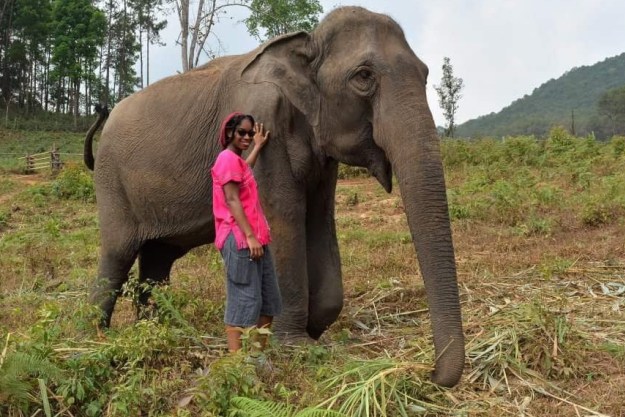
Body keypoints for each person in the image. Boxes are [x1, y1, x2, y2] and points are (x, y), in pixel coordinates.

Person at [211, 112, 282, 352]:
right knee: (243, 301)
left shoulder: (237, 161)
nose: (247, 137)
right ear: (229, 132)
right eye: (242, 132)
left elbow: (244, 171)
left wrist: (258, 147)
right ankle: (236, 365)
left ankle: (256, 358)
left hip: (256, 239)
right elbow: (232, 199)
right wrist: (250, 236)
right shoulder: (226, 158)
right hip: (240, 240)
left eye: (250, 133)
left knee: (269, 301)